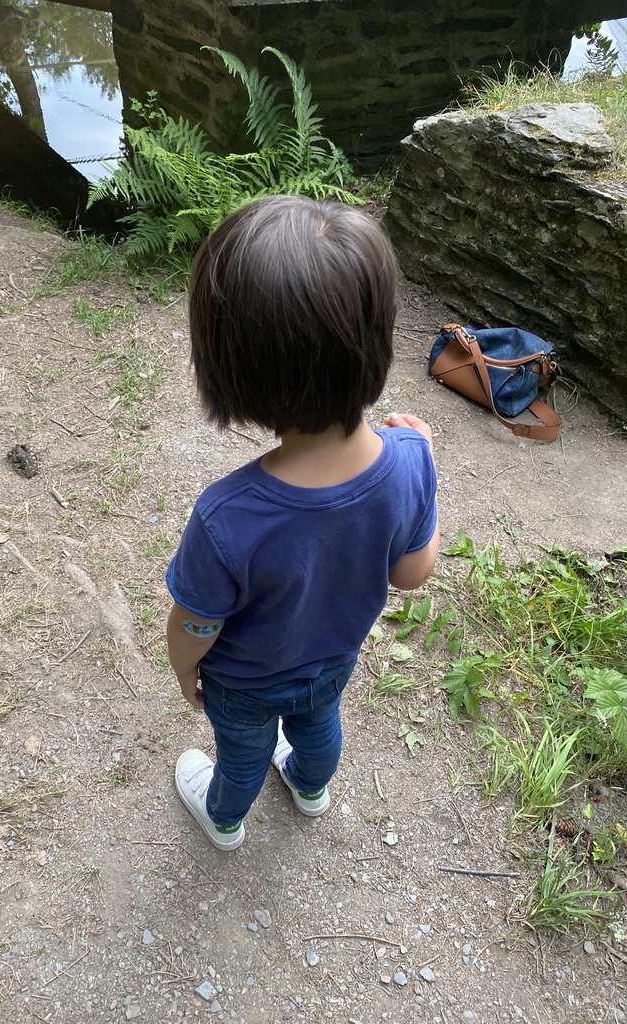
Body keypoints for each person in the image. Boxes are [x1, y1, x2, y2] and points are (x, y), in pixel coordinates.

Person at [165, 194, 439, 851]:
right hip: (332, 663)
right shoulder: (410, 459)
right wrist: (424, 464)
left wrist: (183, 671)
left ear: (232, 371)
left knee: (242, 758)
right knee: (318, 727)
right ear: (377, 342)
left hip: (244, 686)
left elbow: (195, 623)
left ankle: (225, 817)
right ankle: (311, 787)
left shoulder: (227, 515)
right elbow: (412, 574)